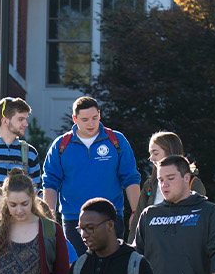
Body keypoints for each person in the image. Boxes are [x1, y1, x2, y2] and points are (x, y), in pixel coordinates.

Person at [42, 96, 142, 256]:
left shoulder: (117, 141)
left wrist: (137, 212)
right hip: (74, 219)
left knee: (111, 271)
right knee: (77, 271)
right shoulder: (61, 145)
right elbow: (50, 183)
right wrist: (49, 219)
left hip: (110, 217)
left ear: (100, 115)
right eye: (85, 119)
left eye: (94, 118)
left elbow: (130, 178)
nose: (91, 123)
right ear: (74, 119)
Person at [129, 131, 208, 240]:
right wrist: (132, 252)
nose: (151, 158)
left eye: (155, 153)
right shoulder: (149, 185)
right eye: (150, 153)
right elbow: (137, 222)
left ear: (170, 152)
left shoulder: (193, 183)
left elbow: (200, 218)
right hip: (152, 248)